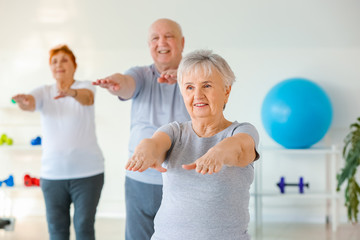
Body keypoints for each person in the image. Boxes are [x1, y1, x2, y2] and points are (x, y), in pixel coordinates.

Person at [125, 49, 260, 240]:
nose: (198, 95)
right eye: (189, 87)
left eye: (206, 86)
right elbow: (155, 143)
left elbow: (239, 148)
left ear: (226, 90)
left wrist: (218, 153)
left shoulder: (241, 131)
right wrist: (145, 151)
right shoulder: (175, 131)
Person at [92, 18, 190, 240]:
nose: (161, 42)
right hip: (141, 179)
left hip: (183, 180)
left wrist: (186, 79)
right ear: (149, 45)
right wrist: (115, 82)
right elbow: (126, 83)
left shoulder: (197, 75)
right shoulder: (142, 74)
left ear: (182, 42)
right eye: (155, 38)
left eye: (169, 36)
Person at [12, 44, 104, 240]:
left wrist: (70, 93)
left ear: (74, 65)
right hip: (52, 176)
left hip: (88, 174)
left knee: (84, 226)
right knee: (57, 229)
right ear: (50, 68)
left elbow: (87, 99)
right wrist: (23, 101)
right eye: (54, 61)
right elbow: (30, 102)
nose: (59, 64)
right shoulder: (44, 91)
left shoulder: (85, 86)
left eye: (64, 60)